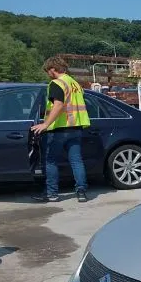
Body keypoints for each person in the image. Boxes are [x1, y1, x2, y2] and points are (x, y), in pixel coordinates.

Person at [31, 56, 91, 203]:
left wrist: (45, 124)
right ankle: (81, 192)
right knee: (76, 161)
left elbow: (58, 105)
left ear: (53, 69)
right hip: (76, 127)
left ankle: (52, 193)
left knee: (51, 161)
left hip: (59, 128)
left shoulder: (56, 83)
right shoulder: (74, 83)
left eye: (47, 71)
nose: (47, 74)